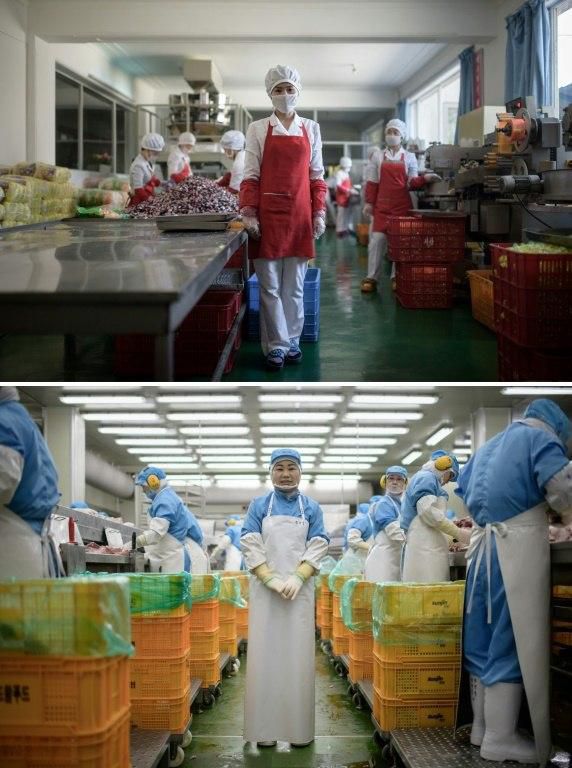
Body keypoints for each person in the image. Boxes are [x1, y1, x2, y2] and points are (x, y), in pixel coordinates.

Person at [455, 399, 572, 766]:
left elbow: (465, 494)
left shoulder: (489, 444)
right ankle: (501, 739)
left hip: (483, 552)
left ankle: (482, 730)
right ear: (559, 429)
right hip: (515, 551)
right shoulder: (541, 441)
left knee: (483, 639)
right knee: (510, 640)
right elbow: (562, 490)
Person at [239, 65, 328, 370]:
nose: (285, 95)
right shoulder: (258, 129)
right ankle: (274, 346)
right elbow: (249, 176)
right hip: (268, 218)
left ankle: (292, 340)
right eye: (278, 89)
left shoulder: (311, 129)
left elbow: (317, 177)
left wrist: (319, 211)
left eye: (290, 89)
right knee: (270, 286)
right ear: (269, 94)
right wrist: (249, 212)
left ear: (298, 91)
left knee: (296, 287)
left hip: (300, 216)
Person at [240, 448, 329, 747]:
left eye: (292, 467)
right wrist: (268, 578)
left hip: (298, 595)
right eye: (280, 468)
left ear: (301, 472)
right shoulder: (259, 505)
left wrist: (298, 576)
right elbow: (250, 541)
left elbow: (318, 543)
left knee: (297, 658)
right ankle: (264, 732)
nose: (286, 473)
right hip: (265, 595)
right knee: (265, 658)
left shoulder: (312, 508)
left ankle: (298, 731)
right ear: (271, 472)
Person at [360, 118, 440, 293]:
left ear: (402, 136)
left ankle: (397, 277)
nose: (391, 135)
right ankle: (372, 277)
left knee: (400, 242)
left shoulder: (409, 157)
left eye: (395, 133)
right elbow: (372, 182)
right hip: (382, 207)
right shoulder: (378, 156)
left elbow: (411, 182)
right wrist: (368, 202)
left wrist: (424, 179)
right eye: (389, 132)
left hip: (401, 206)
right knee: (377, 241)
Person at [0, 386, 61, 578]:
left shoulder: (4, 422)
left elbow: (4, 477)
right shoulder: (20, 419)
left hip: (11, 549)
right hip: (26, 547)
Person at [400, 449, 471, 583]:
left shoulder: (427, 479)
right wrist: (459, 533)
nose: (447, 481)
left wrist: (452, 539)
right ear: (444, 467)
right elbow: (428, 513)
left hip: (426, 544)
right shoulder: (426, 478)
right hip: (424, 547)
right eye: (450, 476)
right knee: (429, 591)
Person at [129, 466, 203, 573]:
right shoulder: (164, 497)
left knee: (171, 588)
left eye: (144, 487)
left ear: (153, 482)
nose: (144, 491)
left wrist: (132, 544)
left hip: (170, 560)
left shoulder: (165, 500)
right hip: (168, 556)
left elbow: (156, 533)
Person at [364, 466, 408, 582]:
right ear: (385, 481)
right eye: (391, 478)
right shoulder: (383, 504)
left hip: (394, 559)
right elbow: (394, 531)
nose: (394, 482)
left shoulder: (401, 504)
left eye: (399, 479)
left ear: (405, 483)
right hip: (382, 561)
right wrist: (414, 545)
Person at [128, 132, 165, 207]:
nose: (155, 156)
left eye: (157, 153)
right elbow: (138, 189)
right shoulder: (138, 165)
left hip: (145, 200)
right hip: (139, 202)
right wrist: (149, 200)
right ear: (146, 150)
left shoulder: (145, 162)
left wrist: (161, 183)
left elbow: (149, 177)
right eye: (154, 153)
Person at [334, 156, 357, 238]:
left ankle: (345, 229)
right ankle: (339, 231)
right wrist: (349, 190)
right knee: (341, 215)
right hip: (341, 198)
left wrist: (351, 189)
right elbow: (338, 186)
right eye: (348, 166)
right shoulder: (339, 173)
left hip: (347, 197)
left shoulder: (346, 173)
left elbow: (348, 184)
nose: (349, 168)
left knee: (347, 214)